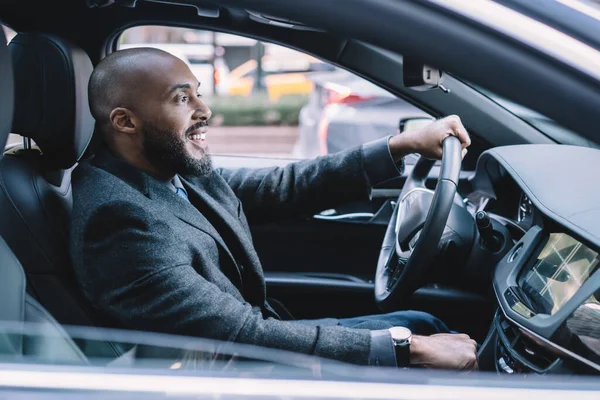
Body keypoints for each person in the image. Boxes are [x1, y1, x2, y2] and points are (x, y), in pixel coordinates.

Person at [70, 47, 477, 370]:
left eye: (197, 91)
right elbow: (236, 336)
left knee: (423, 325)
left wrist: (399, 146)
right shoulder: (117, 220)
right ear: (125, 122)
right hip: (232, 372)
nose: (204, 110)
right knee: (424, 333)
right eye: (181, 98)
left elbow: (279, 186)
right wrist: (410, 351)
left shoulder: (167, 169)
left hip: (255, 344)